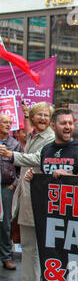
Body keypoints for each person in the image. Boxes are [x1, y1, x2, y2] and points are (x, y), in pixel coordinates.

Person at [0, 102, 55, 281]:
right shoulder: (32, 135)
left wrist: (11, 155)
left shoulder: (50, 138)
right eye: (38, 115)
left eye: (46, 115)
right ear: (32, 118)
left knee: (37, 246)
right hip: (25, 195)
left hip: (38, 196)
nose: (42, 118)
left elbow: (39, 159)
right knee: (28, 245)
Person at [0, 114, 23, 270]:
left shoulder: (15, 144)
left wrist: (13, 185)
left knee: (5, 223)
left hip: (6, 188)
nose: (8, 125)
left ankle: (6, 256)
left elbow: (21, 168)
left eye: (10, 122)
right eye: (4, 122)